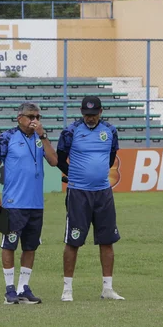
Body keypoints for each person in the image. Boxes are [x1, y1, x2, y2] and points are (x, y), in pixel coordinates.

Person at [56, 95, 125, 302]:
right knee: (73, 240)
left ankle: (107, 288)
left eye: (94, 115)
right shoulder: (70, 131)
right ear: (81, 113)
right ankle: (67, 289)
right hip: (78, 193)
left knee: (107, 240)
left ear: (101, 112)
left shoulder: (110, 131)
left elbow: (111, 157)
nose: (90, 118)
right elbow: (59, 158)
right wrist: (74, 174)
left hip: (103, 192)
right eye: (86, 115)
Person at [0, 102, 58, 304]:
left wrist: (43, 136)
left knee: (30, 246)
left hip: (36, 203)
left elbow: (54, 161)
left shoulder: (40, 137)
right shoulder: (7, 137)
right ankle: (9, 289)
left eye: (37, 117)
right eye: (30, 117)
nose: (34, 121)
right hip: (13, 202)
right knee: (9, 244)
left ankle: (23, 288)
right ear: (20, 118)